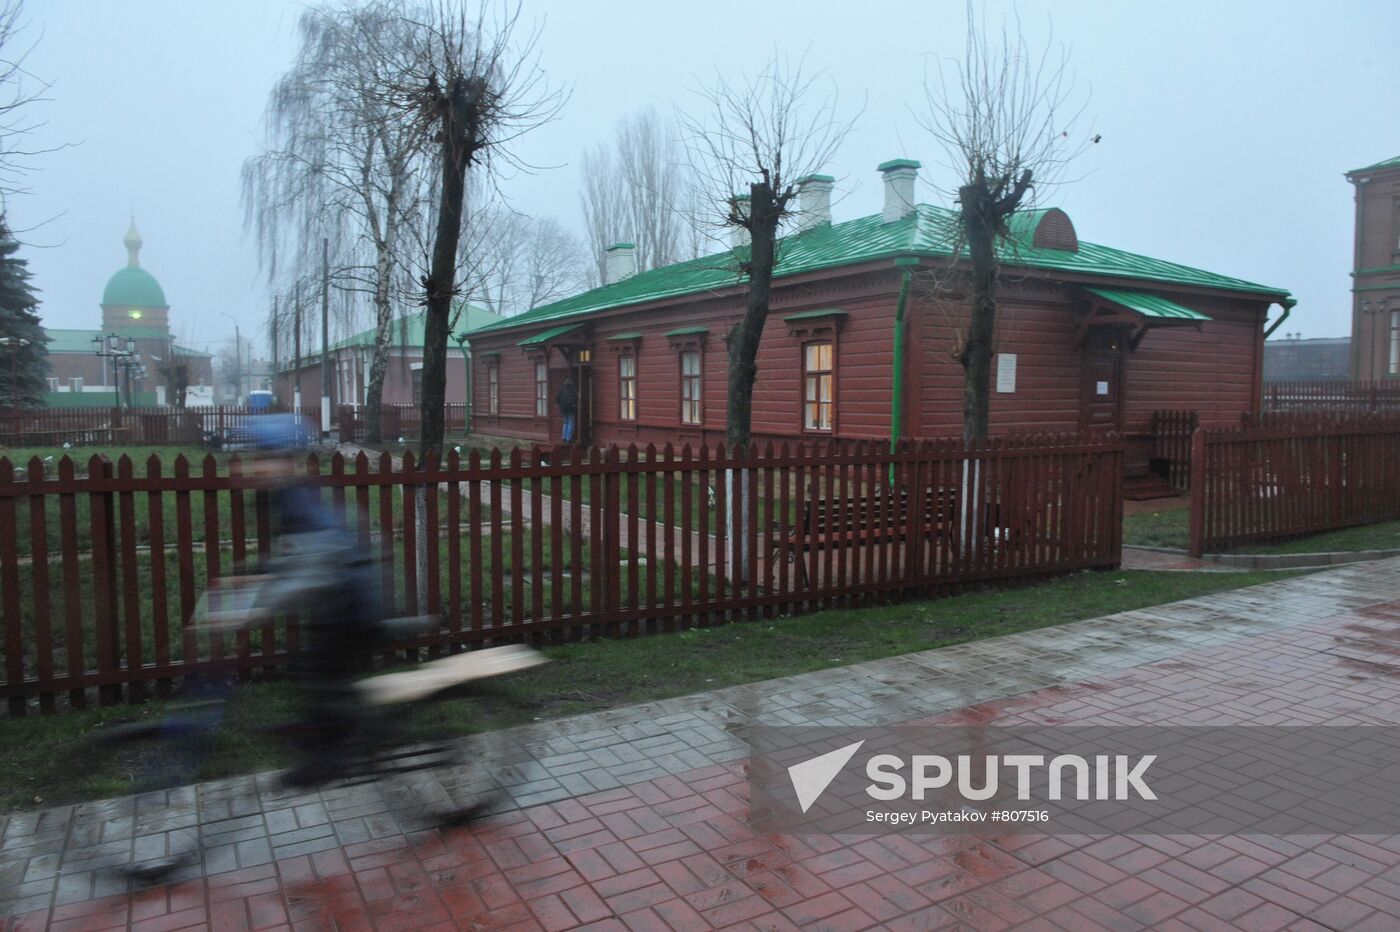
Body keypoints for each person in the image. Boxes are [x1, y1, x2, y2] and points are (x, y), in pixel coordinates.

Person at [243, 413, 387, 787]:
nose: (256, 465)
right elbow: (296, 553)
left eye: (265, 456)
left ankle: (335, 754)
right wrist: (259, 572)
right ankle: (340, 740)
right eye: (254, 456)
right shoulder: (285, 496)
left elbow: (317, 565)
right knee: (309, 669)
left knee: (321, 674)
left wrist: (266, 602)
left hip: (352, 606)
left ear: (286, 461)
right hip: (334, 602)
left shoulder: (296, 501)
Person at [557, 374, 579, 444]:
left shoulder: (561, 389)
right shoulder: (573, 390)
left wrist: (561, 404)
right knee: (570, 422)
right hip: (571, 408)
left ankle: (564, 437)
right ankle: (568, 438)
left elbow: (557, 399)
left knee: (565, 422)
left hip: (563, 409)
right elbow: (576, 398)